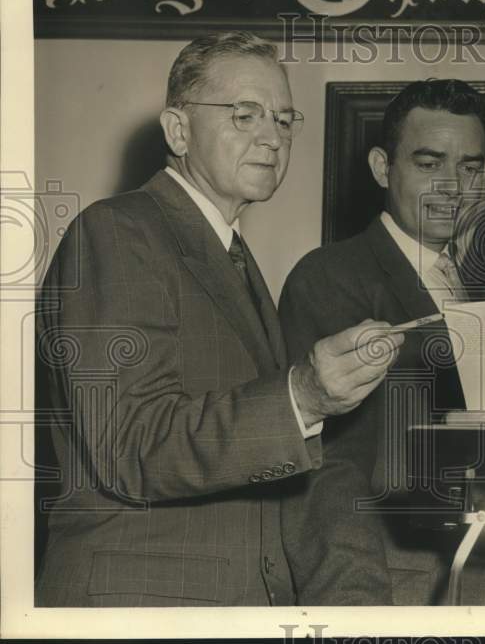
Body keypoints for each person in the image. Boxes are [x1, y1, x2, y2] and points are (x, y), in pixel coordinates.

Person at [34, 31, 402, 607]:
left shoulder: (231, 256)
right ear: (178, 131)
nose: (272, 138)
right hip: (141, 606)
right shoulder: (117, 231)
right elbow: (132, 446)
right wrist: (303, 396)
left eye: (283, 120)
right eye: (244, 114)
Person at [279, 79, 485, 605]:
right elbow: (325, 466)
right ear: (382, 167)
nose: (452, 187)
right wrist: (356, 610)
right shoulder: (331, 276)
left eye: (469, 167)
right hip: (394, 590)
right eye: (429, 164)